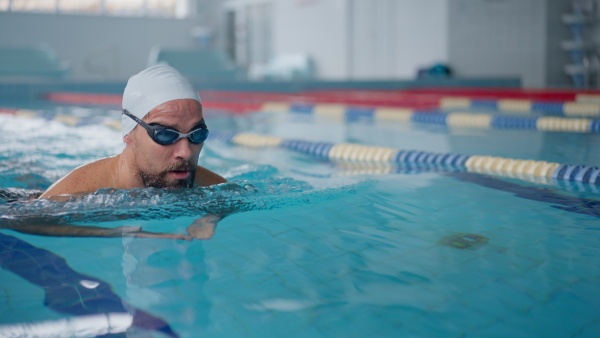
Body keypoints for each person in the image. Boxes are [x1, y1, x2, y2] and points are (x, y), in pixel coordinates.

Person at [6, 65, 227, 240]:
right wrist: (114, 232)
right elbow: (19, 220)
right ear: (128, 133)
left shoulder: (205, 182)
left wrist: (210, 218)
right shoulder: (83, 190)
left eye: (197, 134)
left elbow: (230, 201)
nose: (186, 152)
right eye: (165, 135)